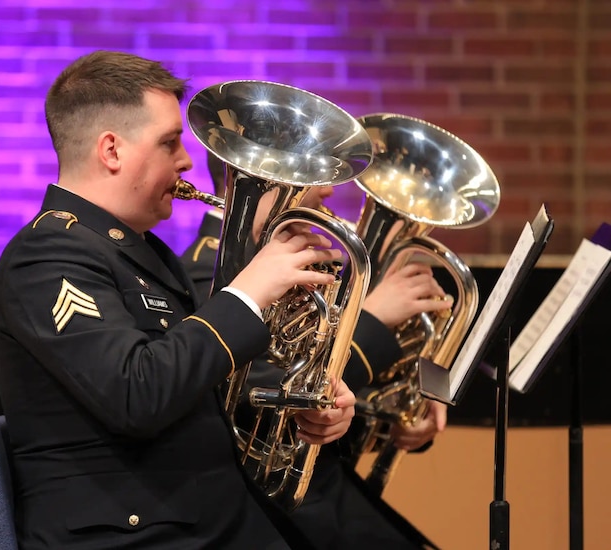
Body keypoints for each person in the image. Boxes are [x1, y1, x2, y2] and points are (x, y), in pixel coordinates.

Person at [0, 50, 359, 550]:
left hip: (202, 516)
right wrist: (248, 292)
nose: (187, 161)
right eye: (169, 144)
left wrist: (301, 402)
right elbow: (136, 395)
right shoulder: (46, 255)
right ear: (112, 151)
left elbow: (197, 387)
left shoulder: (139, 251)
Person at [180, 153, 450, 549]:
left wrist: (409, 406)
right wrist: (373, 320)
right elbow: (258, 399)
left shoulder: (312, 272)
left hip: (328, 501)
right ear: (264, 178)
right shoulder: (200, 277)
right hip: (271, 514)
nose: (328, 189)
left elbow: (343, 408)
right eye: (313, 175)